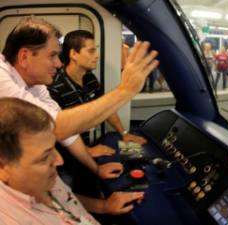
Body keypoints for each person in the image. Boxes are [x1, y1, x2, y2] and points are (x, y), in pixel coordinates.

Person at [0, 16, 158, 213]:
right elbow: (57, 126)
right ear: (24, 57)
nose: (58, 64)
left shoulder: (36, 83)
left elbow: (63, 130)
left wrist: (96, 169)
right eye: (52, 56)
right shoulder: (1, 77)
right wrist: (125, 90)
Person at [0, 97, 144, 224]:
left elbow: (65, 197)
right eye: (44, 157)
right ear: (2, 167)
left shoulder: (39, 177)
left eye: (53, 148)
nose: (59, 161)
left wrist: (103, 206)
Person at [48, 30, 146, 196]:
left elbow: (105, 109)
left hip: (94, 150)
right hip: (70, 160)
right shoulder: (54, 87)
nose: (97, 56)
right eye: (91, 51)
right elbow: (57, 131)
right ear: (73, 54)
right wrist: (86, 150)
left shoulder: (90, 78)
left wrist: (124, 133)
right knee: (75, 198)